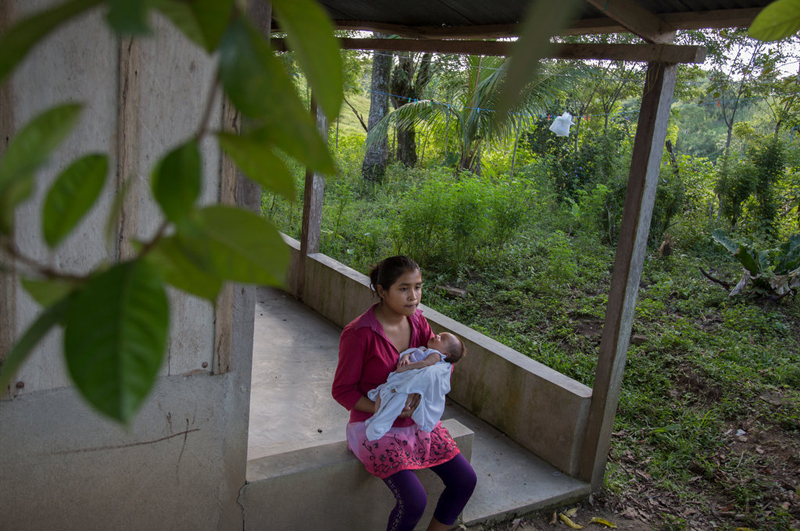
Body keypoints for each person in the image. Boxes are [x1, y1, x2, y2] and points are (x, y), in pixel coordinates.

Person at [332, 255, 477, 531]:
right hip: (374, 425)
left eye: (418, 287)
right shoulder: (359, 334)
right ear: (382, 291)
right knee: (414, 501)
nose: (414, 297)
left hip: (415, 423)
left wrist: (420, 396)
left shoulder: (419, 322)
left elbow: (440, 365)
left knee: (465, 481)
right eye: (404, 288)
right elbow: (341, 390)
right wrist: (380, 407)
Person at [365, 333, 465, 441]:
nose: (437, 336)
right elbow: (408, 353)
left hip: (409, 383)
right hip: (401, 379)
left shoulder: (435, 355)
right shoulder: (422, 349)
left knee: (396, 403)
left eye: (442, 339)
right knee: (382, 394)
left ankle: (382, 424)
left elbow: (426, 364)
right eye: (439, 334)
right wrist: (405, 357)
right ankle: (377, 417)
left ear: (446, 354)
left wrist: (407, 367)